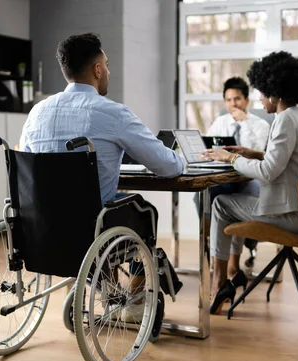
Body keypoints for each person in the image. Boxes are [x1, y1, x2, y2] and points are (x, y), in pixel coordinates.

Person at [20, 32, 184, 322]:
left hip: (41, 229)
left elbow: (28, 166)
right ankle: (132, 300)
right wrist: (184, 159)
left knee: (101, 211)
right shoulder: (113, 113)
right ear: (97, 70)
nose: (108, 71)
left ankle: (107, 288)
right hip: (91, 227)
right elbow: (167, 167)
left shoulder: (36, 112)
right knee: (143, 211)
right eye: (106, 65)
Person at [201, 51, 298, 314]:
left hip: (289, 215)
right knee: (228, 201)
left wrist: (229, 158)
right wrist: (252, 153)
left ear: (275, 93)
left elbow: (267, 172)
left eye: (261, 93)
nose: (258, 99)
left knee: (220, 204)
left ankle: (219, 282)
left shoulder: (284, 120)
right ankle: (231, 271)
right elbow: (283, 161)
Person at [193, 77, 270, 275]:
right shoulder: (220, 122)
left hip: (250, 178)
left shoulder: (260, 125)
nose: (233, 104)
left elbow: (258, 151)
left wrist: (244, 124)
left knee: (243, 197)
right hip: (224, 177)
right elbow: (209, 149)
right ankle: (214, 245)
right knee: (200, 196)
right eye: (228, 100)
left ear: (246, 101)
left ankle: (233, 264)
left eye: (237, 99)